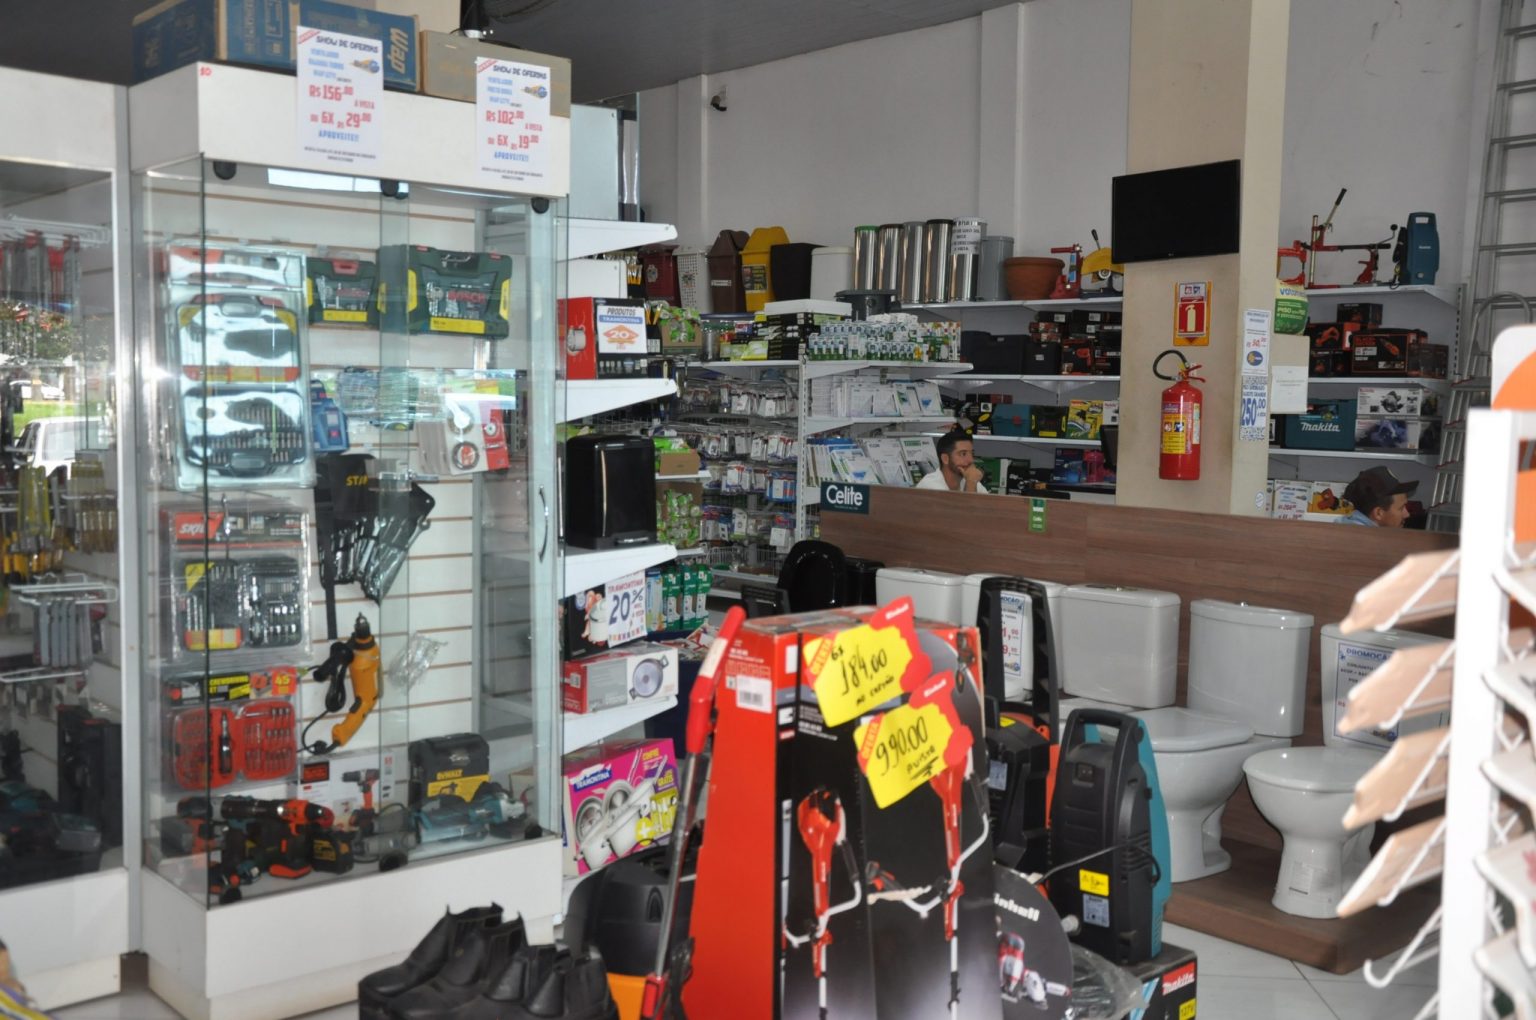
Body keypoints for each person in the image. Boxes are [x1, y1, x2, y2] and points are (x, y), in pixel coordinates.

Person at [1341, 465, 1418, 527]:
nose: (1407, 514)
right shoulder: (1363, 539)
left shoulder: (1346, 528)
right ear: (1378, 513)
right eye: (1401, 508)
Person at [915, 430, 988, 493]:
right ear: (945, 459)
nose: (971, 460)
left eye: (972, 454)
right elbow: (967, 506)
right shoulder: (929, 486)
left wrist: (971, 482)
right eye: (963, 454)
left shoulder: (970, 481)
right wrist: (971, 482)